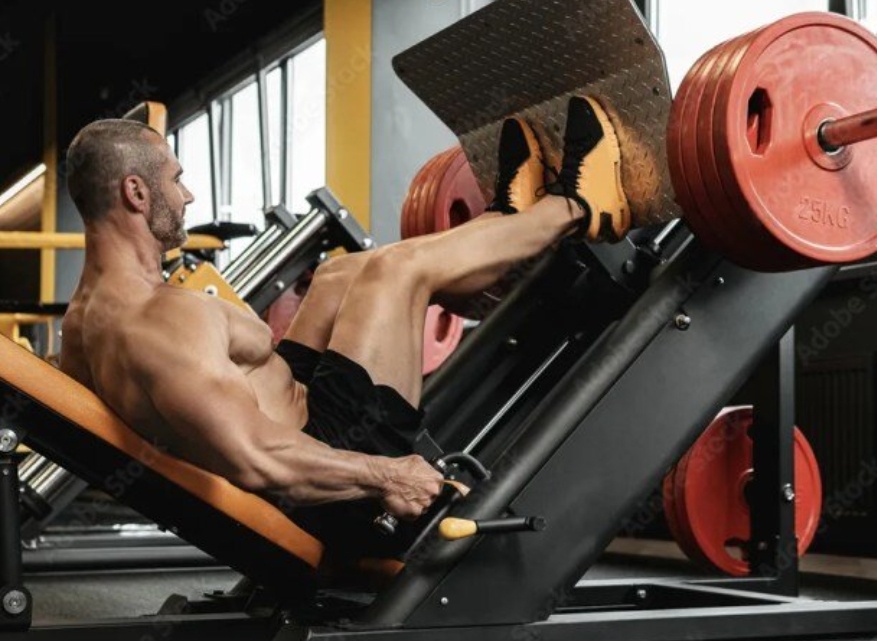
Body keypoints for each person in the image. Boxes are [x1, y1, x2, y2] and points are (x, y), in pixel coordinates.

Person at [59, 95, 629, 553]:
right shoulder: (159, 323)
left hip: (295, 412)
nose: (187, 195)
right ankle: (579, 206)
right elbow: (258, 458)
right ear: (136, 193)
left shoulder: (83, 324)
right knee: (397, 271)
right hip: (327, 480)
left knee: (335, 277)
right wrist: (388, 476)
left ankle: (508, 221)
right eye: (175, 179)